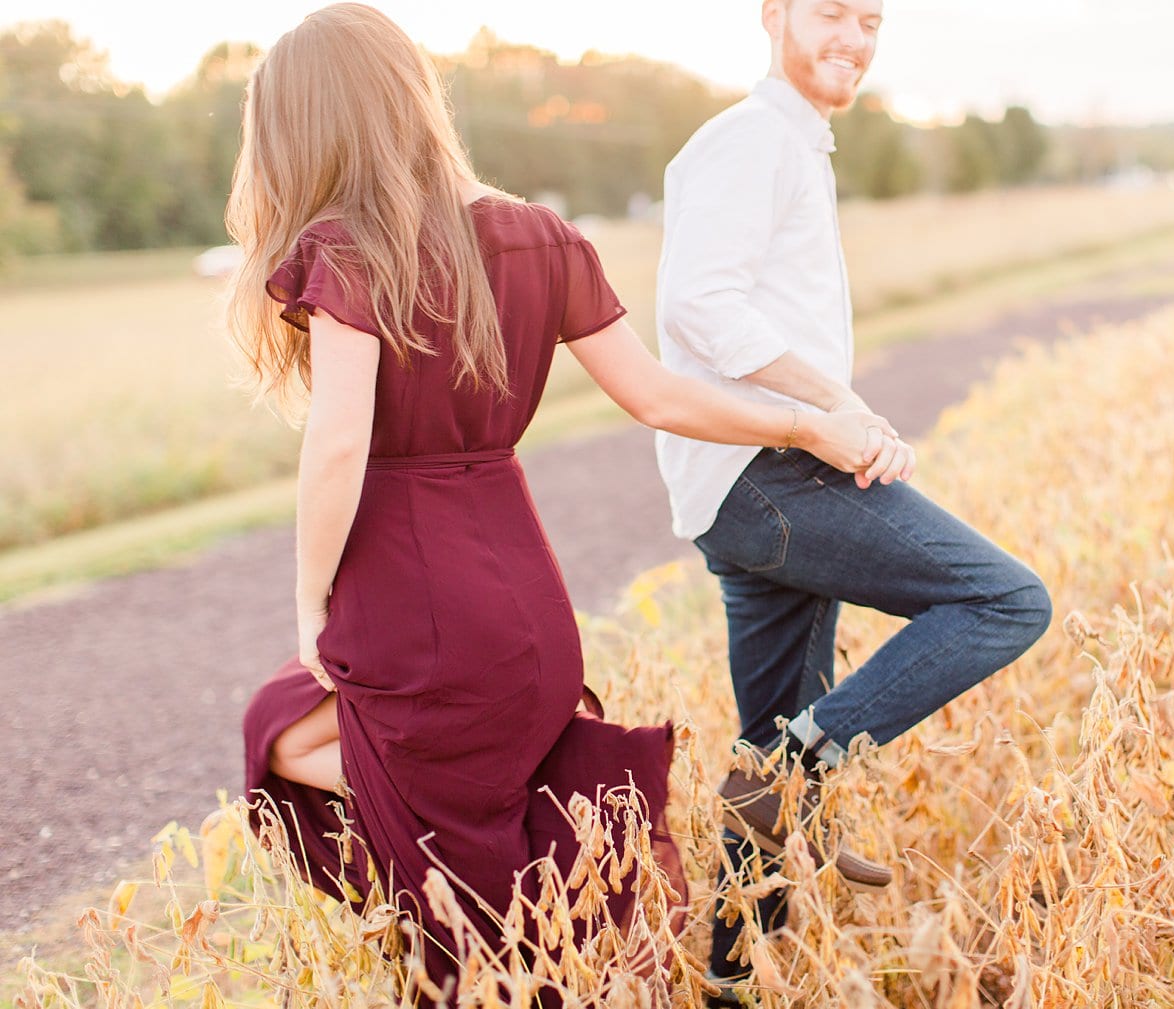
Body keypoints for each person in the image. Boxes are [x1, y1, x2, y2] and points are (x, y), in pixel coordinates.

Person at [226, 5, 893, 1003]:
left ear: (308, 127)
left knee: (315, 759)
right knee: (347, 748)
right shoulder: (539, 236)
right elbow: (659, 394)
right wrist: (799, 422)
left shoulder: (346, 250)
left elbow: (337, 449)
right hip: (521, 585)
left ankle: (559, 912)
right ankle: (584, 901)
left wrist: (309, 601)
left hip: (410, 593)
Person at [652, 0, 1055, 999]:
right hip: (769, 475)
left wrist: (849, 409)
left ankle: (730, 976)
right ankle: (806, 766)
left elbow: (767, 316)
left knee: (764, 733)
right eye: (831, 12)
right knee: (1006, 601)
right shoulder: (750, 142)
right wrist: (821, 414)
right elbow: (698, 305)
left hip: (751, 483)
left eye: (871, 19)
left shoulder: (790, 142)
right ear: (773, 15)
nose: (855, 39)